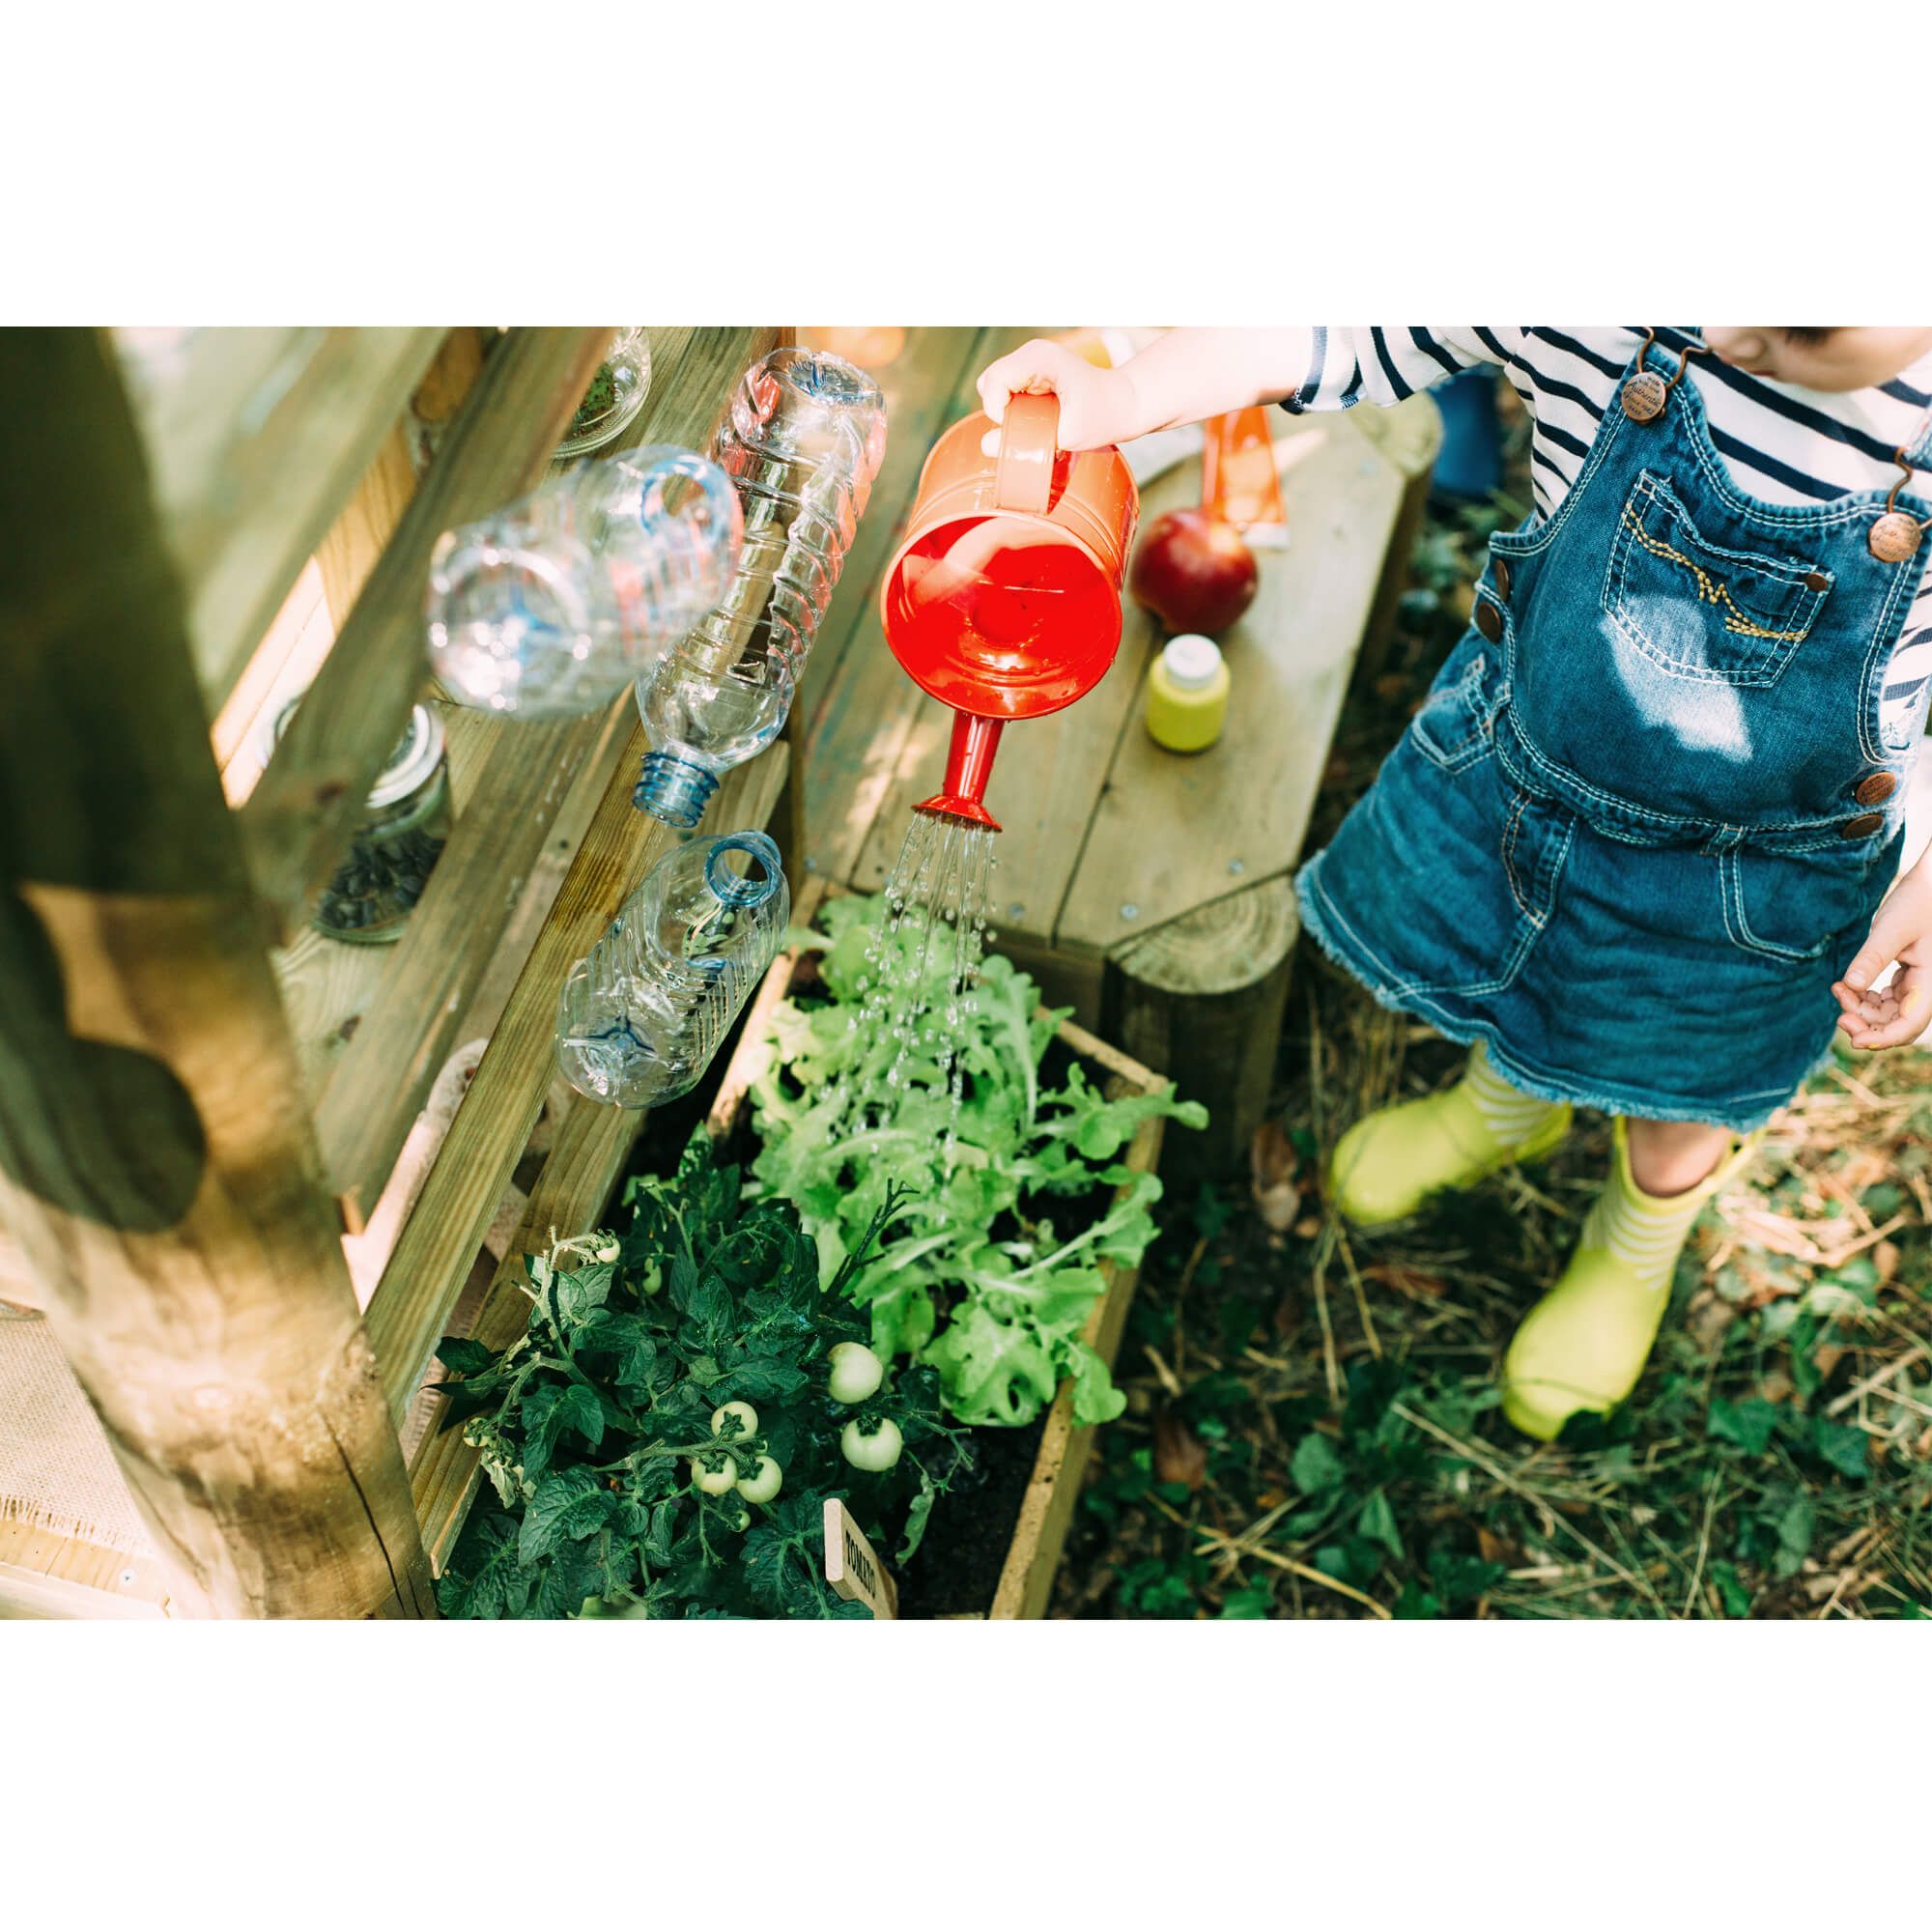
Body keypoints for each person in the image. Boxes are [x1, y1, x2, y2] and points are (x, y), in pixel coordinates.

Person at [976, 326, 1932, 1439]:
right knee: (1510, 968)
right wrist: (1130, 386)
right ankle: (1503, 1106)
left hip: (1751, 887)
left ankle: (1633, 1241)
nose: (1736, 335)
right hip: (1525, 776)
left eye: (1806, 324)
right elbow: (1345, 316)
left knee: (1675, 1090)